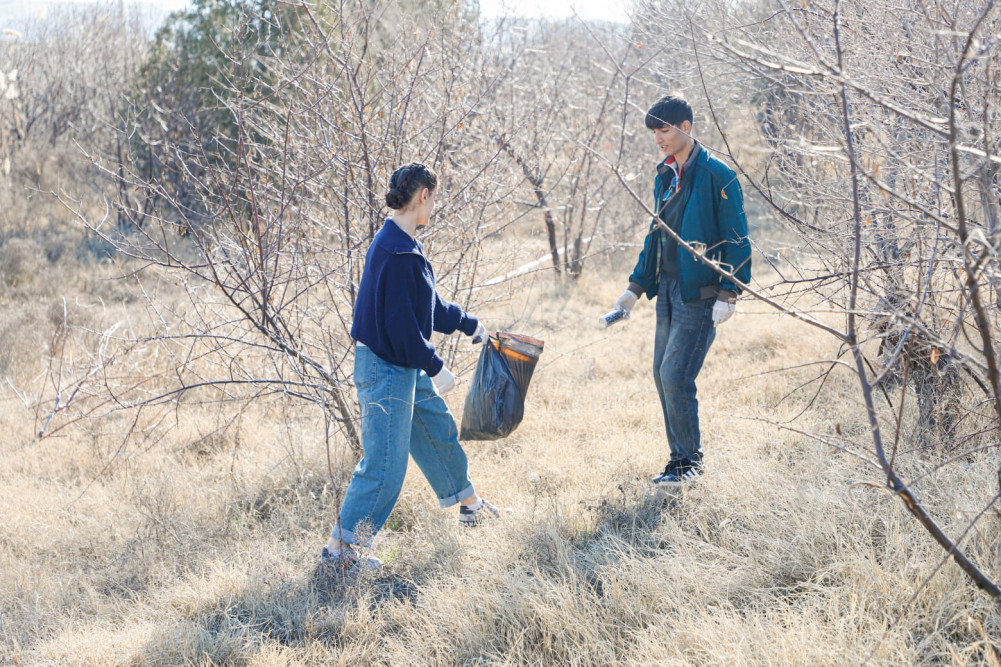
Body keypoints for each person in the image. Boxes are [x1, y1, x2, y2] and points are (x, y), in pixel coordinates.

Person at [321, 162, 503, 572]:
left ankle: (470, 506)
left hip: (400, 364)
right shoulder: (397, 252)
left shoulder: (400, 243)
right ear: (424, 196)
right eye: (433, 199)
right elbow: (403, 329)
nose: (433, 207)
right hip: (387, 367)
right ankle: (339, 554)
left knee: (437, 431)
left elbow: (428, 307)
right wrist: (436, 366)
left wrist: (468, 324)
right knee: (384, 467)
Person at [612, 94, 752, 486]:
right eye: (654, 132)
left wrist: (730, 292)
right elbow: (657, 235)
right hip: (669, 288)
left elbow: (738, 237)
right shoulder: (666, 173)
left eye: (663, 130)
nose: (657, 138)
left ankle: (691, 465)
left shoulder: (717, 174)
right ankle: (678, 462)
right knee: (662, 374)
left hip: (701, 291)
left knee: (676, 375)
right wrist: (634, 289)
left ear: (685, 128)